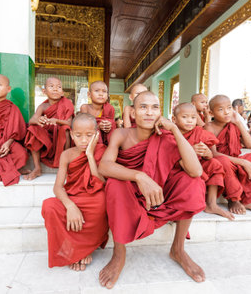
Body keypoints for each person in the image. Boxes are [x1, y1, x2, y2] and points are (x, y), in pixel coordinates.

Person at [98, 91, 206, 289]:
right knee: (114, 184)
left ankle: (178, 249)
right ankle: (119, 254)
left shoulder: (165, 137)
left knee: (193, 182)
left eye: (154, 107)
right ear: (132, 112)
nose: (149, 112)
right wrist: (140, 176)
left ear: (161, 112)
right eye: (143, 107)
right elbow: (104, 166)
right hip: (131, 189)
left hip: (158, 192)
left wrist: (174, 129)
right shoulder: (121, 134)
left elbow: (196, 170)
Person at [42, 113, 109, 271]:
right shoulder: (66, 155)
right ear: (72, 135)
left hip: (94, 198)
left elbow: (101, 181)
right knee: (49, 206)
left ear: (97, 135)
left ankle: (85, 249)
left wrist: (90, 155)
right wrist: (70, 206)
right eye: (78, 135)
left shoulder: (102, 151)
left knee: (101, 205)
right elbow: (58, 187)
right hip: (74, 198)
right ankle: (73, 250)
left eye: (89, 135)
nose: (84, 140)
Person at [204, 95, 251, 215]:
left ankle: (247, 199)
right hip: (219, 161)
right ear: (211, 113)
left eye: (229, 108)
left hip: (233, 159)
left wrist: (238, 123)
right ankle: (234, 199)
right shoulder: (209, 127)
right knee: (222, 161)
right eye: (220, 109)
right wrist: (243, 162)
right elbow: (214, 154)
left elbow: (250, 145)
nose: (226, 112)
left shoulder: (233, 125)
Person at [172, 103, 233, 220]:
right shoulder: (170, 133)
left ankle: (211, 204)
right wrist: (189, 152)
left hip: (197, 166)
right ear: (174, 119)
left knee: (215, 164)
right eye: (184, 117)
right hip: (177, 167)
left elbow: (210, 155)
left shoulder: (199, 132)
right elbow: (167, 156)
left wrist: (207, 153)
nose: (189, 121)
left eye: (193, 117)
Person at [24, 77, 74, 179]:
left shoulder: (67, 103)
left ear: (62, 92)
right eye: (51, 86)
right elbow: (31, 121)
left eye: (59, 87)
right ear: (44, 91)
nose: (55, 89)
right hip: (47, 138)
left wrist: (56, 121)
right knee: (33, 129)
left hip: (61, 137)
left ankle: (67, 165)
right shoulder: (43, 107)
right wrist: (39, 120)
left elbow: (69, 123)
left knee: (65, 129)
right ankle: (37, 168)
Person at [80, 81, 116, 145]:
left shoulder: (110, 108)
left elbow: (112, 126)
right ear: (89, 94)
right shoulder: (85, 108)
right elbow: (84, 126)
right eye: (97, 91)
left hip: (106, 139)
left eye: (104, 91)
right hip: (90, 140)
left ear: (107, 95)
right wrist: (98, 126)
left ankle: (109, 149)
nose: (101, 94)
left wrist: (108, 126)